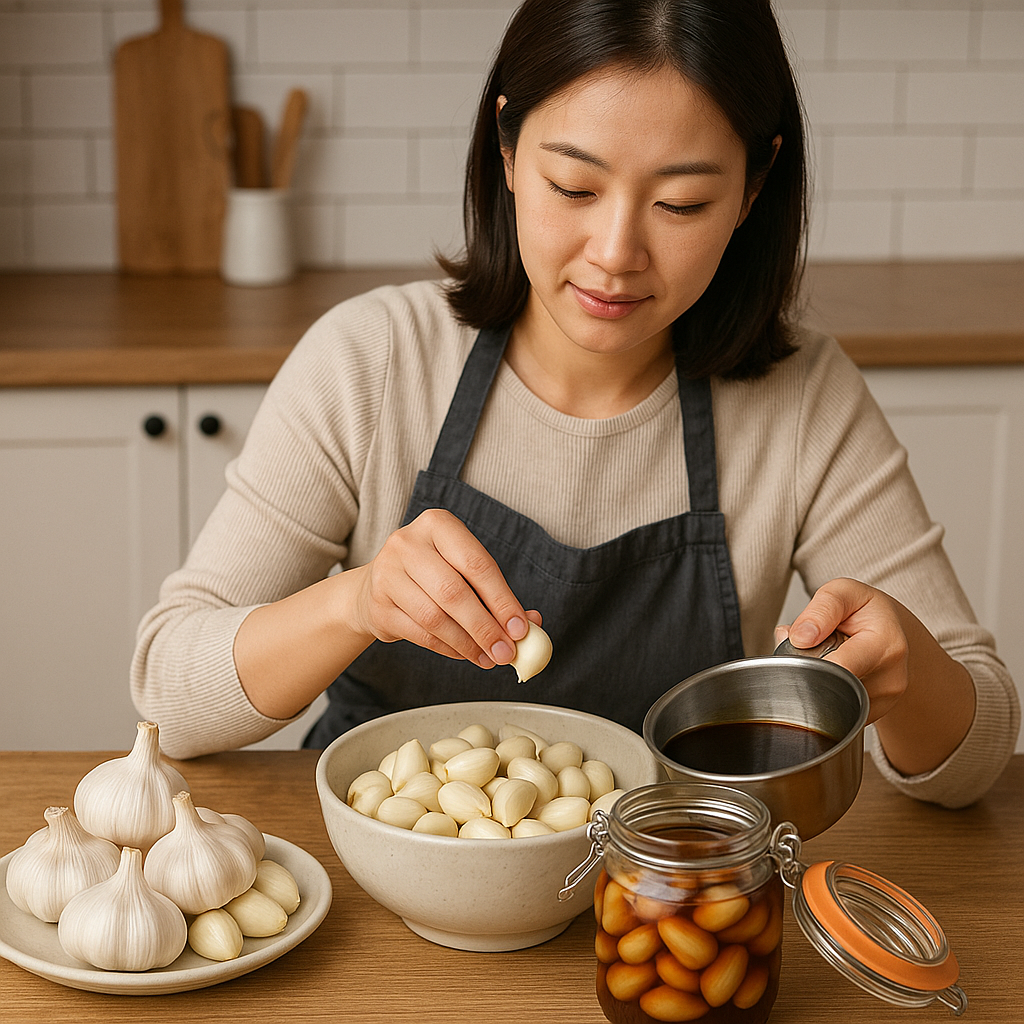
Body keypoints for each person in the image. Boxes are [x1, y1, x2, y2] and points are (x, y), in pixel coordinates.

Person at [132, 0, 1018, 807]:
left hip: (667, 895)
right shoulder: (372, 362)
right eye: (575, 188)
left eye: (682, 202)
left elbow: (977, 759)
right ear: (508, 149)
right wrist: (355, 605)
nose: (616, 253)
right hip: (386, 914)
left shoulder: (804, 401)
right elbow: (169, 695)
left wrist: (906, 666)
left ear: (753, 188)